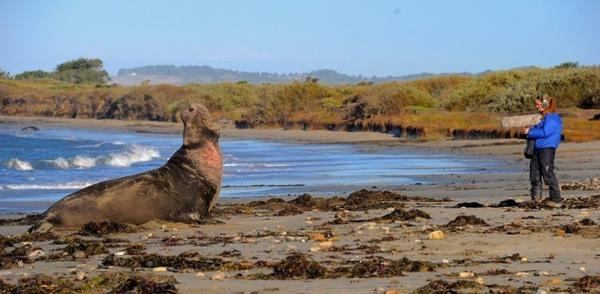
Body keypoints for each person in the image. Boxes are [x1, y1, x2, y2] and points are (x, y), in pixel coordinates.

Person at [524, 95, 563, 203]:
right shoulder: (544, 118)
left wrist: (529, 132)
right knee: (534, 175)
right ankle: (536, 198)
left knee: (547, 174)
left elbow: (545, 132)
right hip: (537, 149)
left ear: (546, 104)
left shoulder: (553, 118)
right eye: (536, 104)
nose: (537, 106)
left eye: (538, 104)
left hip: (546, 150)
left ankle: (556, 198)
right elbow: (540, 131)